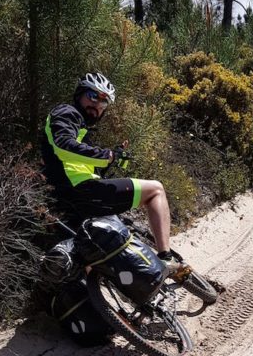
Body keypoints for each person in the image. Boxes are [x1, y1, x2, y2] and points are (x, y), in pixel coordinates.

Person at [41, 72, 186, 275]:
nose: (98, 104)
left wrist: (113, 156)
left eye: (105, 101)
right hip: (81, 191)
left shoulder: (81, 128)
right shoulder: (67, 112)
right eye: (93, 96)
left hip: (69, 198)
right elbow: (63, 147)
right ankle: (166, 257)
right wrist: (107, 155)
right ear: (80, 93)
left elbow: (79, 162)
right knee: (155, 190)